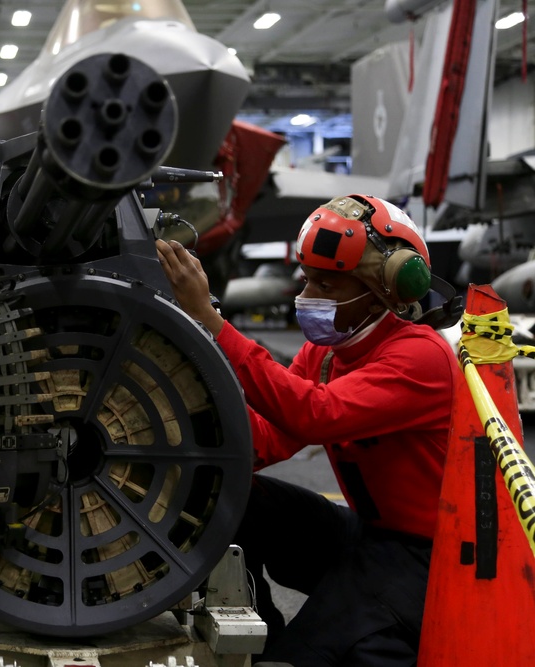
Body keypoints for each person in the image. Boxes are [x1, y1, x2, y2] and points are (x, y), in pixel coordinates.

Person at [156, 194, 460, 666]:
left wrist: (212, 323)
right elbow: (271, 436)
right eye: (307, 281)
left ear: (383, 290)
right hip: (365, 533)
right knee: (237, 496)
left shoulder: (421, 358)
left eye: (327, 284)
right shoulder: (331, 353)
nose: (309, 296)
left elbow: (313, 415)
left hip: (425, 559)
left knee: (317, 655)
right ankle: (257, 635)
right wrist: (174, 452)